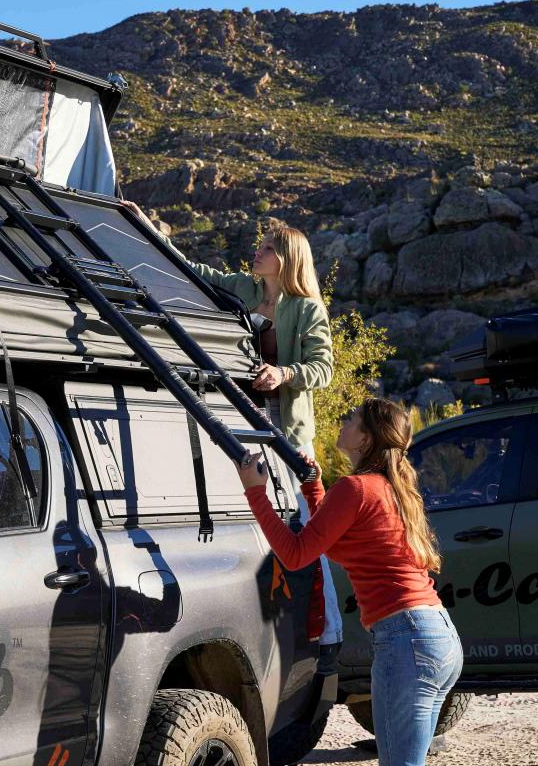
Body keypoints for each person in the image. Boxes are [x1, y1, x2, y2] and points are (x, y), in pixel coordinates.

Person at [124, 203, 343, 657]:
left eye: (265, 248)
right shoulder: (245, 288)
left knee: (308, 525)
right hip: (248, 421)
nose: (256, 252)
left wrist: (284, 374)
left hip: (289, 430)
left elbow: (324, 369)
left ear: (285, 259)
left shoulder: (307, 310)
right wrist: (145, 227)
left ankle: (328, 632)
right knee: (255, 516)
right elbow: (194, 271)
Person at [236, 397, 462, 766]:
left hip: (407, 641)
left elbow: (296, 555)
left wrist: (255, 492)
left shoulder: (357, 488)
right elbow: (337, 545)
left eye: (353, 419)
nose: (345, 421)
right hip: (437, 638)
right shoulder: (388, 488)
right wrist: (313, 488)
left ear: (366, 440)